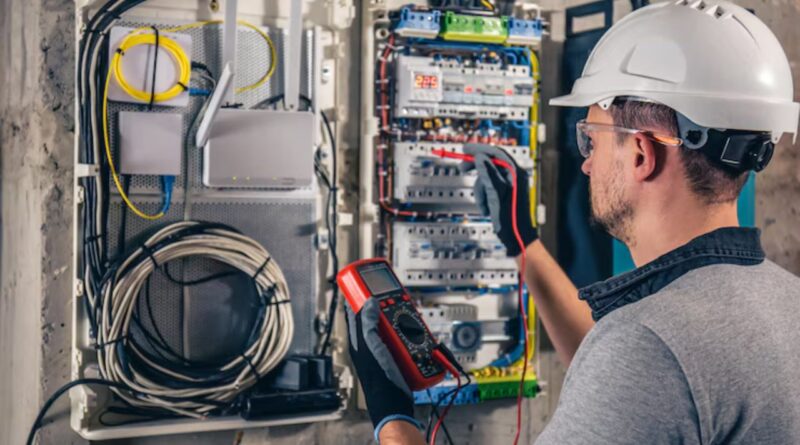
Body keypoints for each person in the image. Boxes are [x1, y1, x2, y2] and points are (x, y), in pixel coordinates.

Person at [346, 1, 800, 443]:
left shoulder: (648, 347)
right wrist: (523, 244)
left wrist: (392, 417)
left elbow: (644, 369)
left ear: (642, 153)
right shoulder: (785, 301)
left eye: (592, 138)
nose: (587, 165)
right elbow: (642, 388)